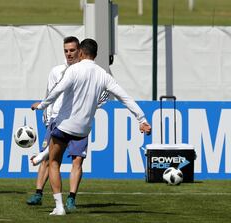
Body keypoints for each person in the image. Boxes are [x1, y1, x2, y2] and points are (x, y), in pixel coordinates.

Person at [31, 38, 152, 215]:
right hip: (82, 129)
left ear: (80, 52)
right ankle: (46, 162)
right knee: (75, 161)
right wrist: (141, 119)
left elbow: (57, 89)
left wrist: (42, 105)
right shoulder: (103, 75)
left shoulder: (74, 70)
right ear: (95, 55)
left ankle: (59, 207)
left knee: (54, 162)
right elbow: (125, 97)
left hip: (64, 125)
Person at [26, 36, 87, 212]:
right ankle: (38, 193)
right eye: (66, 51)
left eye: (72, 50)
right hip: (56, 120)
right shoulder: (56, 71)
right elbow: (50, 94)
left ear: (80, 51)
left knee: (77, 160)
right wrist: (48, 115)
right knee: (49, 159)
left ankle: (71, 199)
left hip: (78, 121)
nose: (69, 54)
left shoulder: (85, 72)